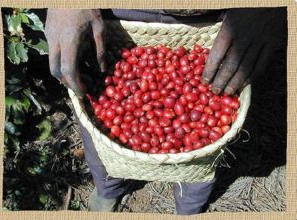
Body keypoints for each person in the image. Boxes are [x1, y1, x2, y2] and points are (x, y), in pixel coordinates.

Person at [44, 8, 286, 215]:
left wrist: (267, 6)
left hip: (213, 18)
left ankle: (189, 206)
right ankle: (108, 189)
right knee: (102, 145)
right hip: (119, 12)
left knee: (199, 161)